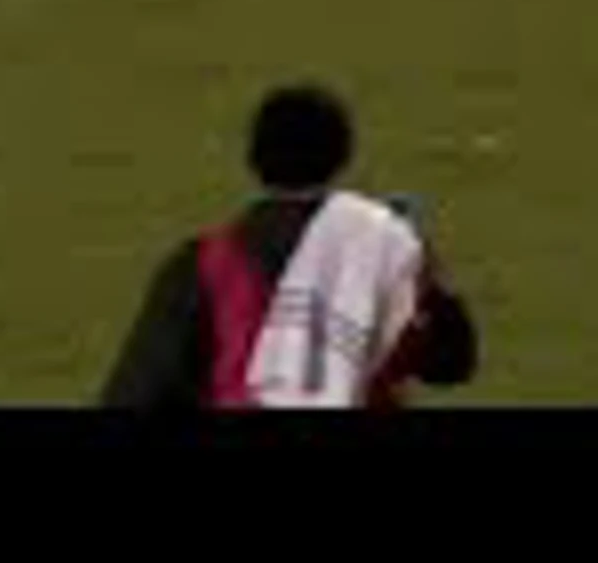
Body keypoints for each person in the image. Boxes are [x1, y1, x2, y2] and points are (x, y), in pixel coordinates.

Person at [97, 83, 479, 411]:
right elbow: (451, 363)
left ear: (254, 160)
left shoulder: (199, 266)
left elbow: (135, 392)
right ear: (342, 157)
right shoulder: (382, 252)